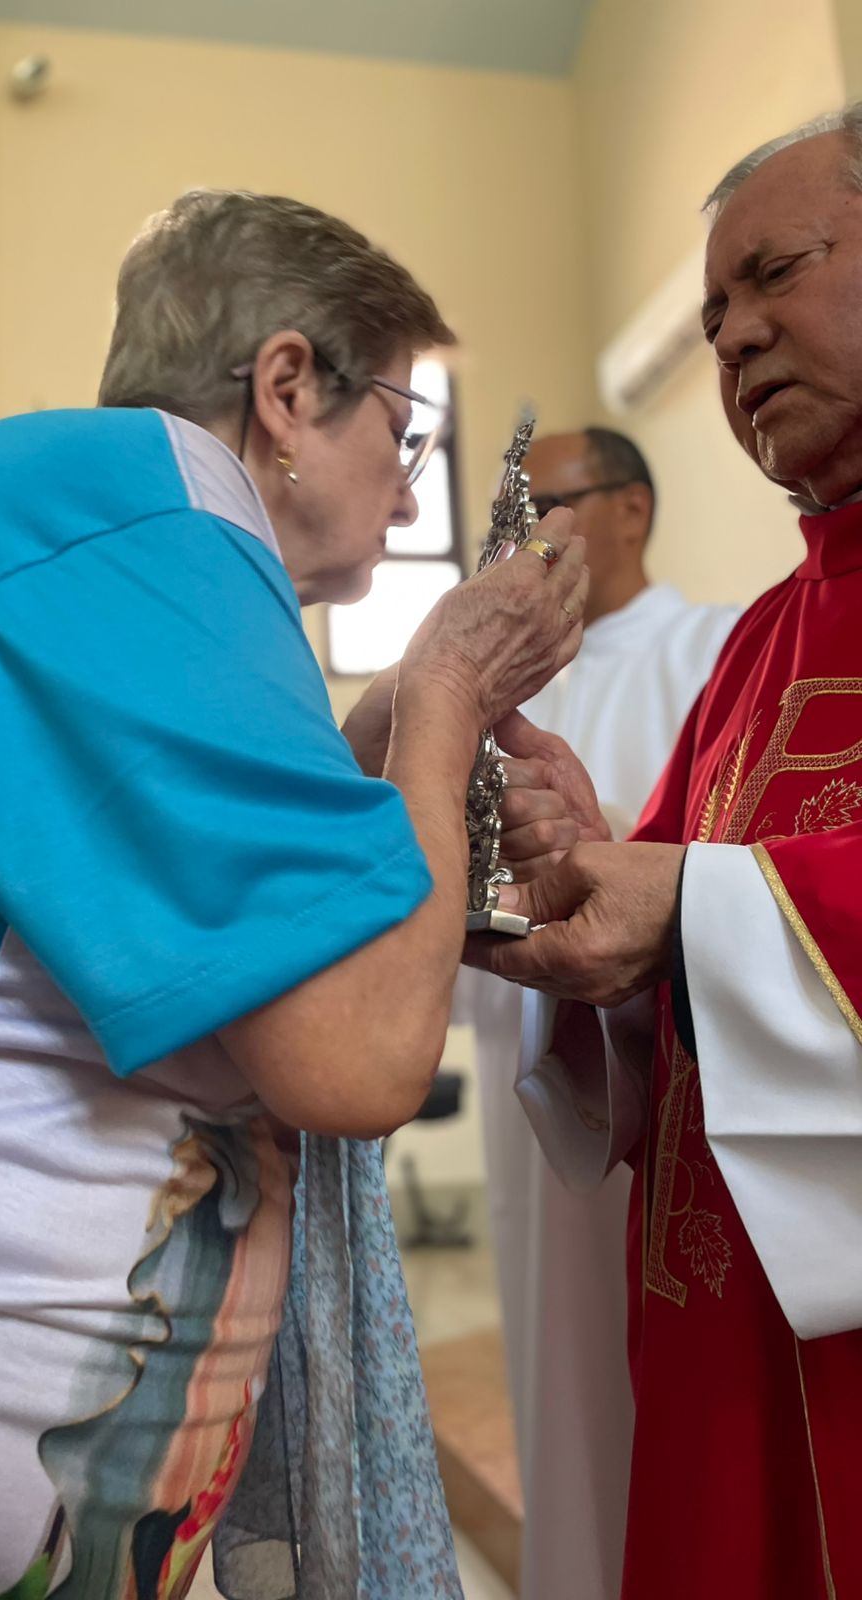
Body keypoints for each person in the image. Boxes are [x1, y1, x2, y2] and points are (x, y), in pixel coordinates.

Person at [0, 189, 587, 1600]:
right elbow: (354, 1052)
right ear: (287, 389)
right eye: (400, 434)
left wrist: (391, 740)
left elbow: (167, 892)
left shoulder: (78, 520)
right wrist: (451, 685)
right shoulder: (160, 526)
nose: (409, 495)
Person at [471, 106, 862, 1600]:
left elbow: (708, 906)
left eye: (776, 273)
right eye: (710, 319)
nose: (737, 335)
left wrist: (689, 903)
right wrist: (594, 877)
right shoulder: (759, 643)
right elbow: (669, 935)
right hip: (718, 1330)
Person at [456, 428, 738, 1600]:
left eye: (551, 505)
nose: (524, 537)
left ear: (631, 509)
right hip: (535, 1076)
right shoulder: (507, 686)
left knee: (664, 1409)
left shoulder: (718, 646)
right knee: (556, 1388)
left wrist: (600, 846)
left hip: (668, 1092)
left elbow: (737, 869)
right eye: (512, 514)